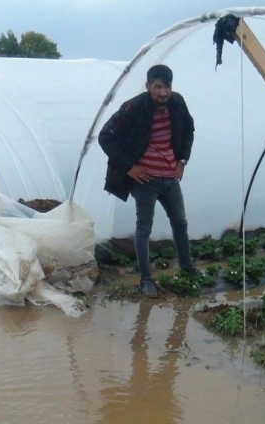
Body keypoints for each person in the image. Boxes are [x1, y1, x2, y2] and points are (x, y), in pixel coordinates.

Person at [99, 64, 198, 298]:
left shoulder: (177, 103)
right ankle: (146, 280)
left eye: (167, 87)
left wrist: (182, 160)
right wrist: (129, 167)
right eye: (158, 87)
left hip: (170, 177)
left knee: (180, 223)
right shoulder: (133, 108)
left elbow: (189, 130)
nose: (163, 93)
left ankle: (187, 267)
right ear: (148, 86)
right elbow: (106, 137)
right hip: (145, 180)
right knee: (144, 229)